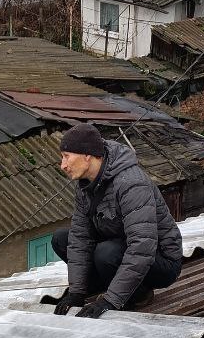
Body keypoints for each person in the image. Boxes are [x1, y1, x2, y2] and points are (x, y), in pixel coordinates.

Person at [52, 123, 183, 318]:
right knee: (62, 238)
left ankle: (139, 294)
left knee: (106, 253)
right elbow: (80, 237)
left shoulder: (131, 183)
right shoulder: (84, 185)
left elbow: (141, 247)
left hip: (160, 259)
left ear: (87, 155)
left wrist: (110, 300)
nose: (63, 165)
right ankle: (103, 287)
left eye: (67, 156)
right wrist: (77, 293)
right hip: (118, 247)